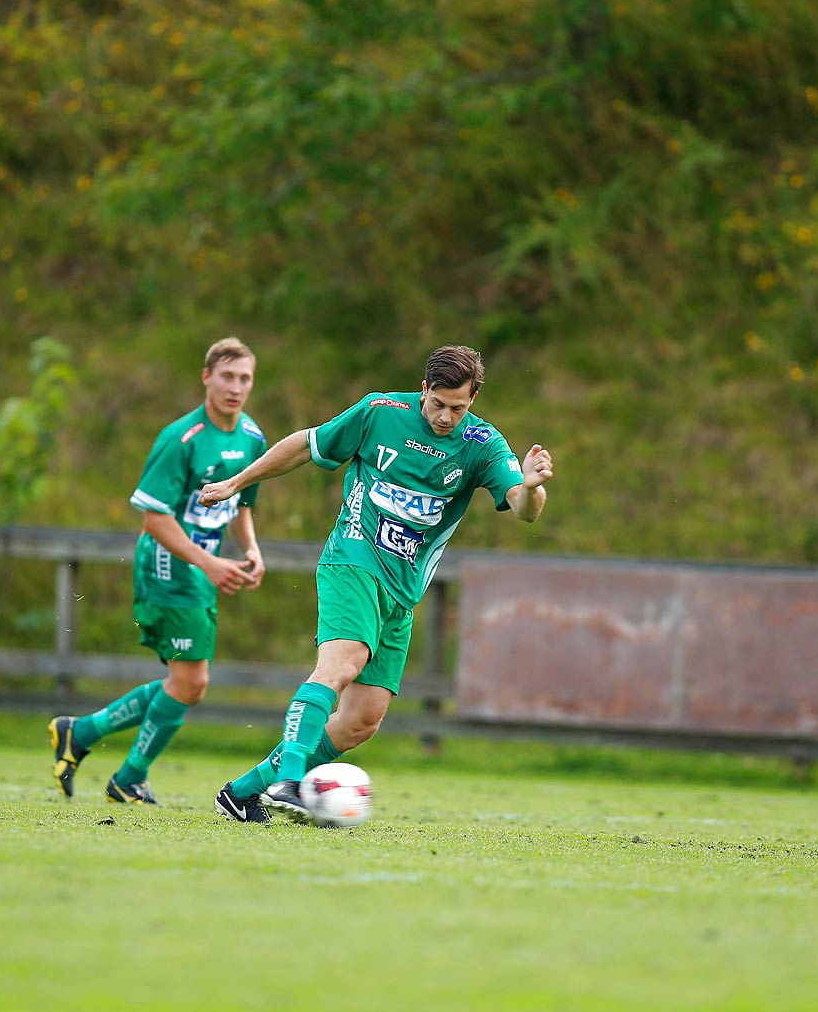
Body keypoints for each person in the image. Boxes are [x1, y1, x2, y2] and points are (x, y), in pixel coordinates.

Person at [198, 344, 554, 823]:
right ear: (423, 389)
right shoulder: (379, 412)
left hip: (402, 592)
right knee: (341, 664)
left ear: (473, 400)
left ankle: (243, 791)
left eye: (459, 408)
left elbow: (521, 507)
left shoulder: (482, 443)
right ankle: (291, 781)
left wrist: (532, 488)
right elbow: (307, 444)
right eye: (438, 404)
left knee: (361, 721)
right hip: (353, 558)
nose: (447, 416)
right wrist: (236, 482)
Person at [47, 337, 267, 804]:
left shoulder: (252, 438)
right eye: (227, 376)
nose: (236, 387)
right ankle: (127, 777)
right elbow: (155, 518)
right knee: (191, 683)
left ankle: (80, 733)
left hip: (201, 570)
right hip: (170, 567)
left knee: (185, 683)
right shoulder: (180, 439)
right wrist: (209, 562)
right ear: (207, 378)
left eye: (244, 378)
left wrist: (251, 550)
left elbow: (242, 505)